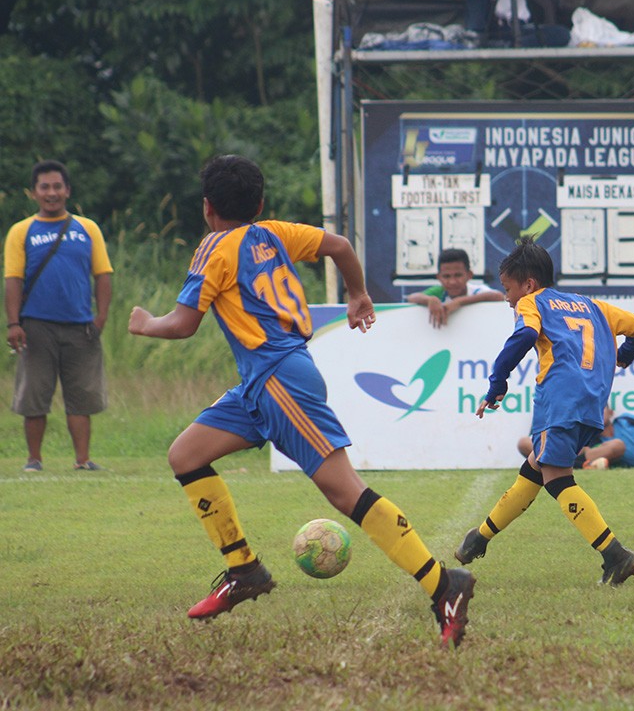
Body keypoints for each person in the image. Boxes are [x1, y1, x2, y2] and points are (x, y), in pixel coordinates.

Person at [127, 155, 474, 647]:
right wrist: (358, 294)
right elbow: (340, 245)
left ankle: (445, 585)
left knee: (344, 491)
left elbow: (182, 324)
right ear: (260, 203)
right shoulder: (272, 233)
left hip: (279, 381)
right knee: (185, 454)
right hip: (261, 382)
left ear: (207, 208)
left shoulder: (214, 247)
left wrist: (145, 323)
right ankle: (243, 569)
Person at [455, 238, 634, 585]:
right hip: (592, 403)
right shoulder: (594, 305)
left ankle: (615, 555)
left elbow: (525, 334)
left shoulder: (532, 302)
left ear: (528, 284)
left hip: (559, 400)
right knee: (535, 470)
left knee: (558, 479)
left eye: (508, 289)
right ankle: (479, 538)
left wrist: (497, 383)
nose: (507, 299)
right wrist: (624, 356)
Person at [4, 160, 112, 473]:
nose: (52, 193)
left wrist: (100, 318)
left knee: (81, 396)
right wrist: (13, 324)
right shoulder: (21, 231)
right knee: (34, 395)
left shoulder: (87, 228)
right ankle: (33, 460)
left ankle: (83, 460)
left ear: (67, 190)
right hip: (35, 327)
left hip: (81, 327)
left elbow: (103, 275)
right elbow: (13, 280)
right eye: (45, 187)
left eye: (57, 186)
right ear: (34, 193)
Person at [405, 248, 503, 328]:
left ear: (469, 275)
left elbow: (498, 296)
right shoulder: (439, 291)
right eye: (446, 276)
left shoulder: (476, 290)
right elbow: (411, 298)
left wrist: (459, 301)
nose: (452, 281)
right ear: (439, 277)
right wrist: (429, 300)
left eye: (458, 275)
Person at [454, 0, 570, 48]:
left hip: (522, 27)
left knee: (561, 34)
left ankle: (508, 47)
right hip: (494, 29)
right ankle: (496, 45)